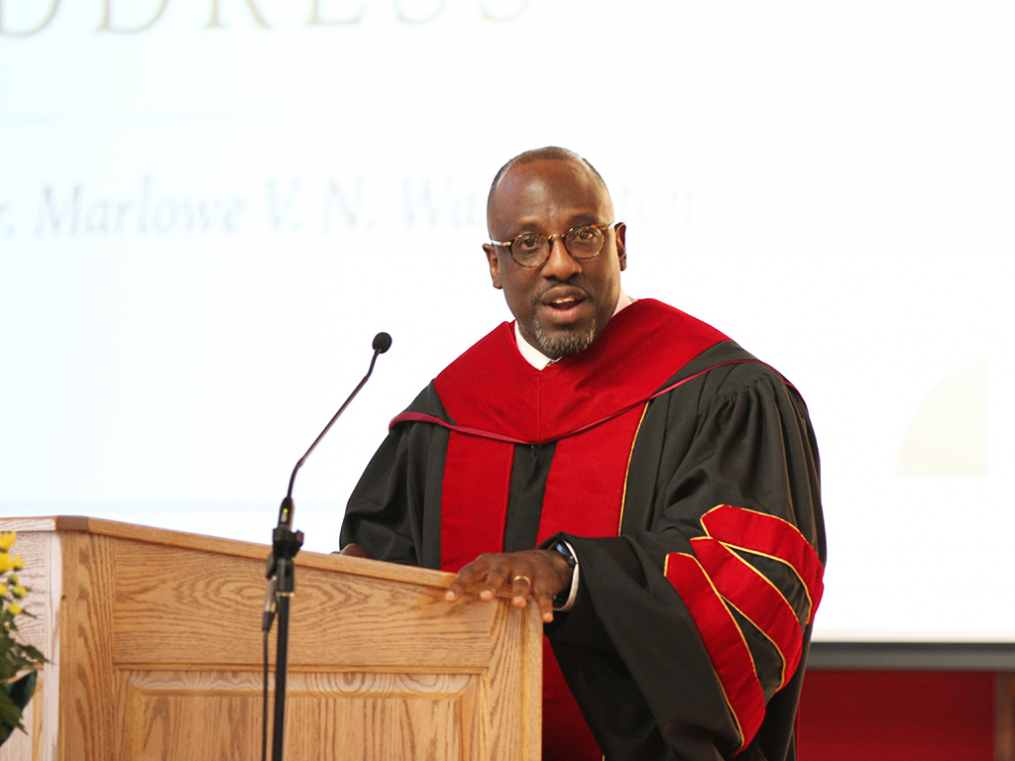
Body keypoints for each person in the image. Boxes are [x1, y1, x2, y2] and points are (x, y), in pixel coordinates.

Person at [340, 147, 826, 761]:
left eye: (582, 236)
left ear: (620, 245)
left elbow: (752, 583)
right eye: (528, 244)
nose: (559, 264)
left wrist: (575, 578)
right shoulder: (444, 417)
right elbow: (384, 576)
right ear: (494, 264)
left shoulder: (723, 393)